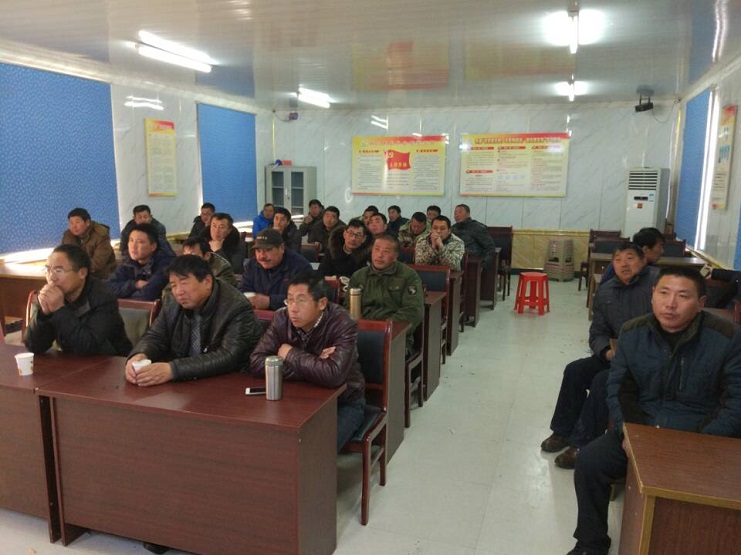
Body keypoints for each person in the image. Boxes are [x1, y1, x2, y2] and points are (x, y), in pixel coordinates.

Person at [569, 267, 741, 555]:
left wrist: (702, 441)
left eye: (682, 296)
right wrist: (631, 434)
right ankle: (591, 543)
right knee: (590, 462)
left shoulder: (727, 338)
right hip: (644, 427)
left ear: (701, 303)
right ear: (652, 296)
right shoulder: (632, 332)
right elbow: (619, 389)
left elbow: (736, 402)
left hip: (702, 435)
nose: (670, 304)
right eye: (664, 293)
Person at [540, 243, 657, 469]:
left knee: (602, 382)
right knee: (575, 370)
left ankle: (583, 444)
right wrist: (606, 351)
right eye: (618, 259)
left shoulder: (656, 285)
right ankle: (563, 431)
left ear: (643, 260)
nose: (624, 264)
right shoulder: (606, 290)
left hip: (646, 363)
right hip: (616, 356)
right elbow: (597, 332)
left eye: (630, 258)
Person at [250, 271, 366, 452]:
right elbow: (257, 362)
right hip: (297, 398)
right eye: (290, 300)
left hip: (342, 403)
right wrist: (315, 365)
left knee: (317, 452)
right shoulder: (282, 318)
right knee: (261, 440)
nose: (293, 308)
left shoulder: (343, 323)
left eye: (301, 301)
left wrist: (290, 354)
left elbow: (333, 376)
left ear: (321, 303)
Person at [125, 255, 262, 387]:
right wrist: (140, 354)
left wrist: (173, 370)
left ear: (207, 282)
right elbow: (156, 336)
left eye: (184, 283)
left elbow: (228, 356)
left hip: (228, 383)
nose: (178, 292)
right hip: (185, 383)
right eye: (173, 285)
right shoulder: (171, 301)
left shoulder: (236, 306)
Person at [24, 244, 132, 356]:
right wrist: (43, 314)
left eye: (59, 270)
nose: (51, 277)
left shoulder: (103, 298)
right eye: (48, 270)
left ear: (82, 273)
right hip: (70, 362)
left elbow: (88, 347)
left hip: (111, 362)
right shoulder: (51, 296)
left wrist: (59, 309)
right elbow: (34, 346)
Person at [347, 235, 424, 352]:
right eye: (376, 249)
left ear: (395, 256)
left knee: (374, 352)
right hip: (362, 333)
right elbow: (348, 308)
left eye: (386, 251)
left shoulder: (409, 276)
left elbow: (413, 311)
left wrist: (383, 329)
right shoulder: (359, 276)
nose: (379, 255)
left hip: (395, 336)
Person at [238, 229, 312, 310]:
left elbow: (303, 298)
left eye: (268, 250)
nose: (262, 256)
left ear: (282, 248)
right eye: (258, 251)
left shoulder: (300, 267)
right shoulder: (252, 265)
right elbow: (242, 290)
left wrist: (270, 302)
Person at [107, 223, 175, 300]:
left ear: (153, 246)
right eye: (131, 240)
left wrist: (122, 294)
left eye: (140, 242)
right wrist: (135, 285)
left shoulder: (165, 264)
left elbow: (147, 295)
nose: (133, 246)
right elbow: (107, 289)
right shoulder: (127, 262)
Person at [61, 207, 116, 279]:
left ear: (87, 222)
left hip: (101, 276)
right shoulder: (68, 235)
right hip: (78, 274)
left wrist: (73, 267)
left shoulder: (101, 235)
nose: (74, 226)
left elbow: (98, 263)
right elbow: (61, 255)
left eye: (77, 222)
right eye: (71, 223)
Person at [599, 227, 664, 284]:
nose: (662, 251)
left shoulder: (653, 270)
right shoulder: (619, 266)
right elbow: (604, 289)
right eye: (660, 246)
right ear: (645, 249)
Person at [451, 204, 496, 269]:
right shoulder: (453, 228)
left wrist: (483, 264)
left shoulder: (477, 227)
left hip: (472, 262)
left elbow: (490, 247)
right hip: (455, 260)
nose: (457, 215)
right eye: (455, 213)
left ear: (468, 214)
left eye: (460, 212)